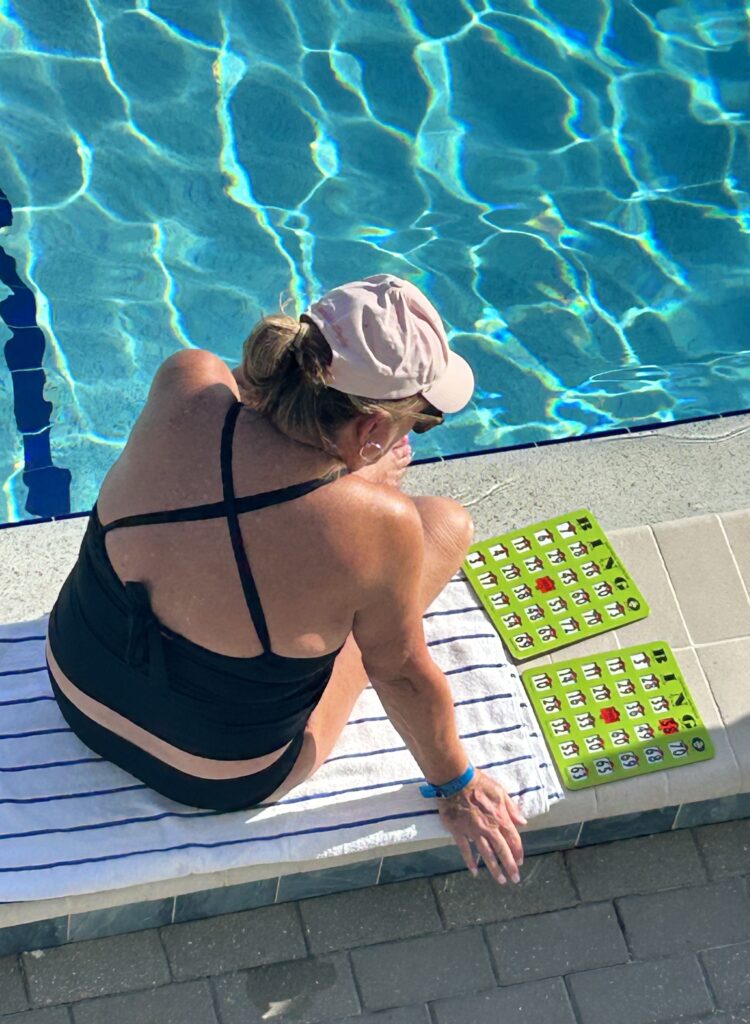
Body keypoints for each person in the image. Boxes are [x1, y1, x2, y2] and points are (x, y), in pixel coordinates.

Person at [45, 274, 526, 886]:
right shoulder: (381, 528)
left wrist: (353, 474)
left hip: (77, 687)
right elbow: (400, 674)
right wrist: (458, 786)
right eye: (415, 425)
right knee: (445, 526)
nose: (409, 439)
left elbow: (248, 459)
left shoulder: (184, 380)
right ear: (373, 429)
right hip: (214, 771)